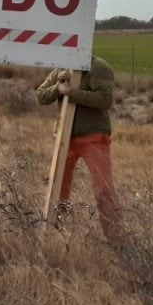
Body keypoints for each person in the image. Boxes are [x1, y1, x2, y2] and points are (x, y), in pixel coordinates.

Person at [36, 55, 120, 242]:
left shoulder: (99, 67)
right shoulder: (62, 67)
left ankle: (116, 241)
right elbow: (40, 96)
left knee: (103, 190)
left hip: (94, 137)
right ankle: (55, 233)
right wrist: (58, 87)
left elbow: (105, 100)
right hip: (64, 139)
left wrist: (72, 92)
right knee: (59, 190)